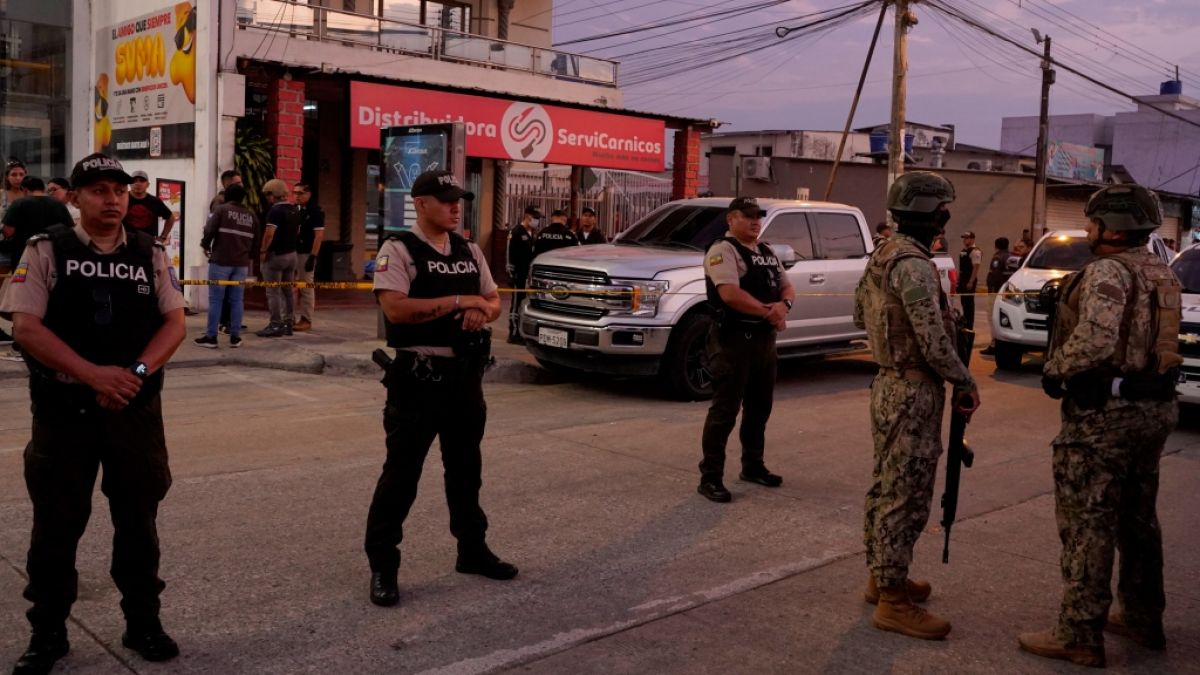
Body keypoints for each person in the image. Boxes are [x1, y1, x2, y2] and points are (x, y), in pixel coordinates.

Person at [1, 153, 186, 674]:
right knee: (56, 525)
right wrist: (94, 375)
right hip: (65, 411)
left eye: (119, 191)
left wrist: (135, 375)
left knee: (138, 522)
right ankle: (48, 633)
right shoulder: (45, 250)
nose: (112, 200)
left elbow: (174, 324)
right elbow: (26, 327)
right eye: (99, 190)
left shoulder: (150, 251)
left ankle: (143, 622)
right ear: (76, 198)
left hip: (135, 409)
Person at [1019, 185, 1180, 668]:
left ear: (1112, 226)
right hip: (1152, 411)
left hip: (1105, 416)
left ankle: (1079, 633)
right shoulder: (1159, 271)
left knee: (1088, 522)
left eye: (1093, 222)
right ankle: (1141, 616)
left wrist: (1055, 369)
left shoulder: (1108, 271)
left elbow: (1093, 339)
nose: (1088, 229)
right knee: (1137, 518)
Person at [364, 170, 514, 608]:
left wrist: (480, 313)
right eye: (446, 200)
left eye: (458, 200)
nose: (455, 207)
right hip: (418, 380)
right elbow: (395, 309)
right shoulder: (398, 249)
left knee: (466, 472)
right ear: (421, 202)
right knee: (401, 477)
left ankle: (472, 550)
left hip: (464, 380)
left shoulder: (468, 249)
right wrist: (458, 302)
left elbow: (494, 300)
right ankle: (383, 566)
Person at [853, 171, 979, 641]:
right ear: (930, 212)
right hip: (912, 390)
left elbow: (858, 314)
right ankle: (892, 601)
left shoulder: (883, 254)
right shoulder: (913, 264)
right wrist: (965, 382)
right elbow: (933, 342)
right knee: (905, 493)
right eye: (942, 209)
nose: (947, 217)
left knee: (887, 483)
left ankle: (883, 575)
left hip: (888, 383)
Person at [697, 196, 796, 503]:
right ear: (731, 219)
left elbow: (787, 287)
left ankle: (752, 466)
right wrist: (770, 312)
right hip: (733, 341)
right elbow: (729, 294)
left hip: (764, 343)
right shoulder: (722, 251)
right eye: (748, 216)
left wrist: (784, 305)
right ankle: (710, 477)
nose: (755, 221)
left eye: (758, 217)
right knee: (724, 411)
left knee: (759, 407)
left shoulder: (766, 252)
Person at [194, 184, 257, 349]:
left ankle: (211, 337)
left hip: (220, 261)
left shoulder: (221, 210)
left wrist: (205, 245)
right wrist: (247, 257)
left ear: (227, 195)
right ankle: (235, 337)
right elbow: (256, 241)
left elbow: (209, 230)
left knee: (215, 300)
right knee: (237, 300)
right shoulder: (251, 216)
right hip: (241, 265)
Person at [256, 178, 301, 338]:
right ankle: (289, 322)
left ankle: (275, 324)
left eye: (268, 195)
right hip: (292, 255)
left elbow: (269, 234)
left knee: (272, 291)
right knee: (288, 291)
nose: (267, 199)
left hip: (276, 256)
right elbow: (297, 232)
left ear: (272, 194)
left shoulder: (275, 211)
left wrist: (262, 251)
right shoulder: (295, 210)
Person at [292, 182, 325, 332]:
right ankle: (291, 317)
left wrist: (313, 256)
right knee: (293, 285)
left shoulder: (315, 212)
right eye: (295, 193)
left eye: (300, 193)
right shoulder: (297, 210)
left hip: (306, 252)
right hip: (294, 251)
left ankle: (306, 319)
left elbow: (318, 236)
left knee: (306, 287)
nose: (297, 196)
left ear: (308, 194)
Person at [505, 205, 539, 344]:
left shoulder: (531, 233)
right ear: (528, 216)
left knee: (522, 303)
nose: (537, 221)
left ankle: (521, 331)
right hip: (517, 274)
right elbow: (508, 253)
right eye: (536, 218)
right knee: (515, 303)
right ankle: (513, 333)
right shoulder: (516, 232)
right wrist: (510, 272)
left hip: (527, 275)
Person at [123, 171, 177, 242]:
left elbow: (170, 218)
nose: (138, 183)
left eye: (142, 181)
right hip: (125, 243)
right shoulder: (122, 199)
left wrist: (163, 237)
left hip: (147, 245)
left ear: (148, 185)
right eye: (134, 181)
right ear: (130, 184)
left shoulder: (154, 201)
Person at [981, 237, 1014, 356]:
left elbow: (994, 276)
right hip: (1007, 292)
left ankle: (994, 344)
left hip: (995, 292)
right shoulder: (1011, 257)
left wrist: (991, 289)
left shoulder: (997, 257)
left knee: (992, 318)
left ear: (996, 246)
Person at [957, 230, 982, 329]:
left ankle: (969, 325)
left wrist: (971, 281)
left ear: (972, 239)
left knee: (969, 304)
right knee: (964, 302)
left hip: (969, 280)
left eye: (967, 238)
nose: (964, 240)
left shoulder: (975, 251)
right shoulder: (963, 251)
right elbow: (961, 267)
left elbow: (976, 267)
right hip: (963, 279)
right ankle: (965, 322)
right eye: (964, 238)